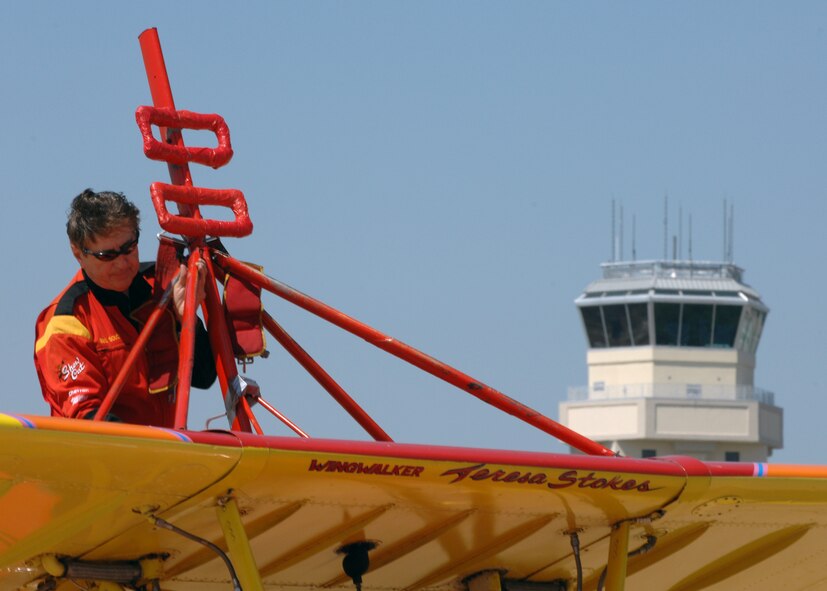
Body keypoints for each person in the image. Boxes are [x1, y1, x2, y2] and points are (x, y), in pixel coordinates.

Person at [34, 189, 217, 427]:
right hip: (104, 459)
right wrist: (148, 449)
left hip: (165, 453)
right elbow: (87, 420)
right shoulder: (67, 322)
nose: (122, 263)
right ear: (78, 253)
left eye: (129, 247)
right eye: (107, 255)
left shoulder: (162, 286)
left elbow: (204, 376)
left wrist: (186, 319)